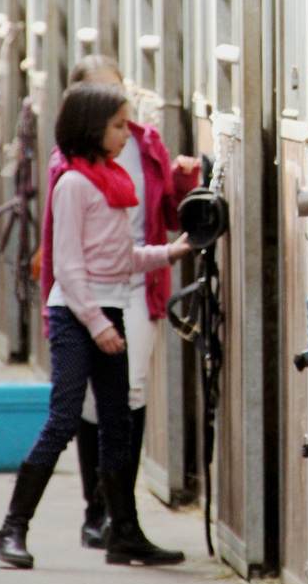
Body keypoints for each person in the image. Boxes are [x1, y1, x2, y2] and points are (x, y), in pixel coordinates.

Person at [0, 82, 192, 569]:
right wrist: (97, 323)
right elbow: (69, 267)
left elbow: (121, 259)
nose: (128, 133)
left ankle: (124, 533)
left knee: (117, 423)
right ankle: (11, 529)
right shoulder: (73, 185)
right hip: (75, 316)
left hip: (108, 311)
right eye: (119, 125)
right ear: (91, 128)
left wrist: (171, 251)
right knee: (63, 420)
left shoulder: (111, 180)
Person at [40, 55, 199, 547]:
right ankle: (97, 512)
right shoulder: (68, 166)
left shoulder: (144, 142)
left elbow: (169, 213)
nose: (122, 117)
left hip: (136, 274)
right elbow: (61, 242)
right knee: (87, 404)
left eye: (121, 95)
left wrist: (184, 181)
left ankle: (121, 516)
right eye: (107, 99)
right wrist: (71, 304)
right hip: (90, 286)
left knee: (130, 393)